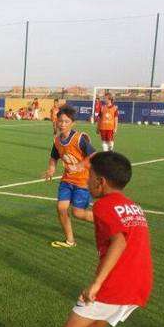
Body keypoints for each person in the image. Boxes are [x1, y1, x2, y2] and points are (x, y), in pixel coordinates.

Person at [61, 151, 155, 327]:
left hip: (117, 282)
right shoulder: (130, 205)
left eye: (89, 176)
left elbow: (119, 242)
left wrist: (96, 284)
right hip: (138, 280)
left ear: (100, 182)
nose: (86, 179)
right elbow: (117, 230)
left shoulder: (104, 205)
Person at [44, 105, 95, 248]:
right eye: (60, 121)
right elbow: (54, 157)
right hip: (66, 181)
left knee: (78, 213)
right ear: (56, 121)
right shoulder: (57, 140)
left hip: (82, 182)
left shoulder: (79, 139)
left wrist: (79, 166)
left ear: (72, 123)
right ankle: (70, 241)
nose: (63, 124)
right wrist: (51, 169)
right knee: (61, 207)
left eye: (66, 121)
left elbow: (93, 155)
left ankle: (105, 221)